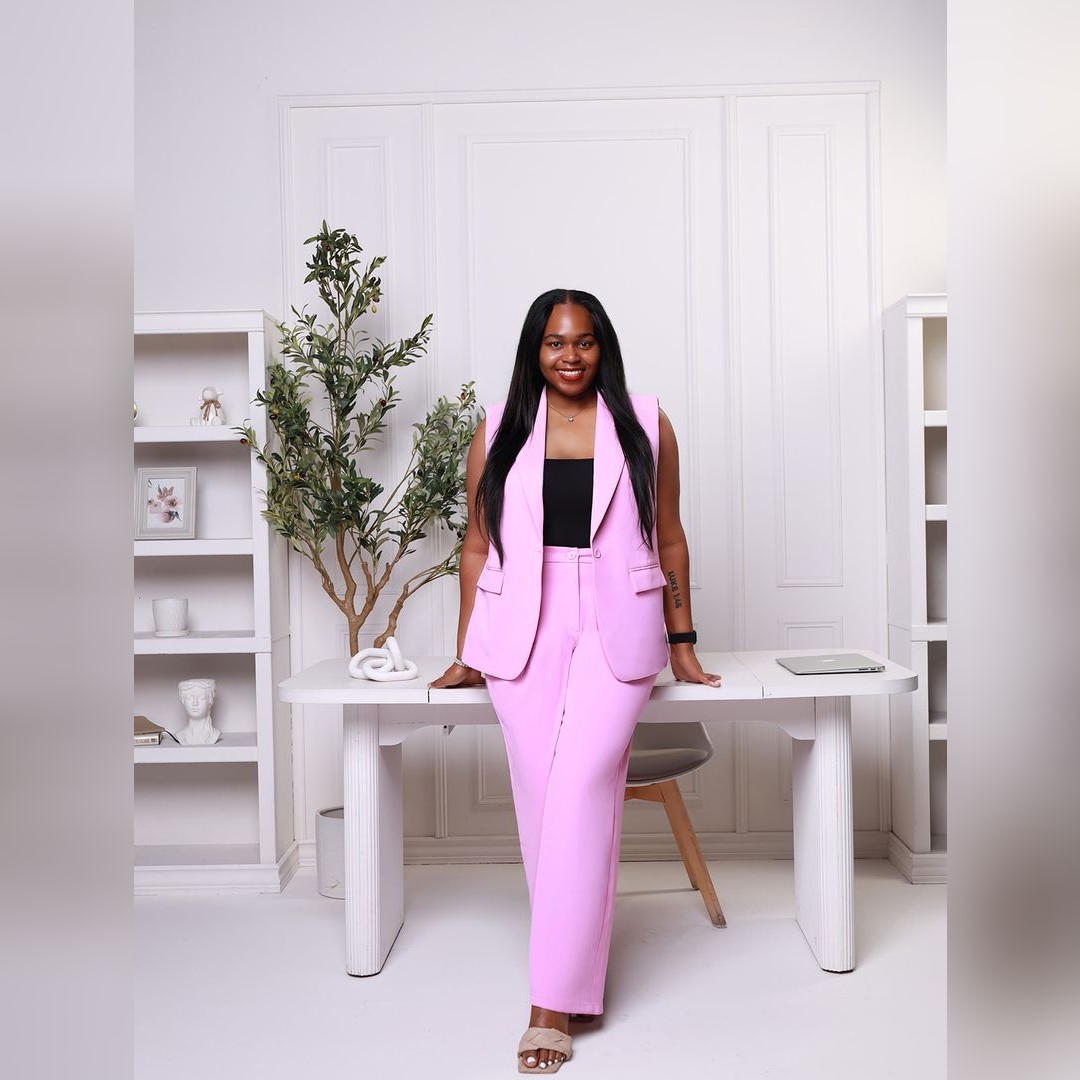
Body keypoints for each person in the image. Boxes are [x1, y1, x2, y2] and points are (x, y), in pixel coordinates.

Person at [430, 289, 721, 1073]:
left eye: (584, 342)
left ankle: (549, 1003)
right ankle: (573, 978)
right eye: (556, 342)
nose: (570, 356)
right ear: (536, 349)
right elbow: (476, 545)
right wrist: (467, 648)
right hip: (520, 621)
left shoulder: (646, 421)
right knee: (540, 794)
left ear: (603, 347)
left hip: (617, 621)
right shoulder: (498, 427)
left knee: (583, 784)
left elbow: (668, 537)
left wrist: (683, 642)